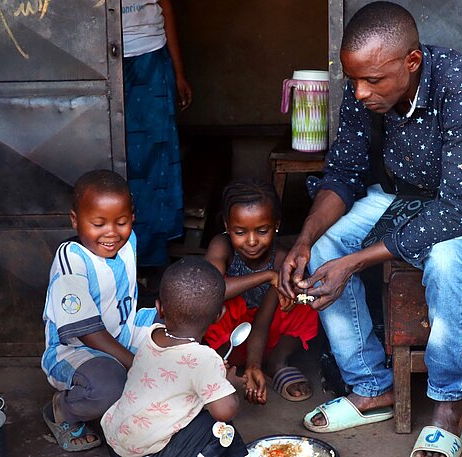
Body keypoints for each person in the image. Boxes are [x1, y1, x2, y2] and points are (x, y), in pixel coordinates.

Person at [277, 2, 462, 457]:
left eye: (373, 81)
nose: (361, 92)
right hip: (406, 193)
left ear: (412, 62)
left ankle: (449, 408)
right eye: (354, 80)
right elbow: (343, 173)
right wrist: (303, 241)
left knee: (446, 256)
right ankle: (371, 388)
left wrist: (357, 261)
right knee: (324, 250)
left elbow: (455, 212)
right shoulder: (366, 88)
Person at [40, 170, 157, 452]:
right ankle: (62, 411)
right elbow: (85, 330)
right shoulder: (71, 258)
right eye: (98, 223)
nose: (111, 233)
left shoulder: (129, 242)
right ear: (75, 220)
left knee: (180, 337)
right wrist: (133, 362)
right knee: (110, 386)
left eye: (121, 222)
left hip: (124, 332)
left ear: (132, 218)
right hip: (76, 348)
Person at [102, 257, 248, 457]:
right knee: (220, 428)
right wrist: (230, 385)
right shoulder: (204, 359)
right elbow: (225, 411)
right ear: (218, 316)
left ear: (159, 308)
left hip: (118, 443)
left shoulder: (152, 336)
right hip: (149, 452)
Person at [204, 180, 319, 404]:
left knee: (304, 299)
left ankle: (277, 362)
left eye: (262, 230)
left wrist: (253, 365)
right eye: (240, 231)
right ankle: (219, 367)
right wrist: (267, 276)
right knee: (212, 304)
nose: (252, 241)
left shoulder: (282, 259)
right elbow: (210, 289)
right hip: (229, 341)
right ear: (227, 226)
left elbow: (262, 322)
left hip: (267, 339)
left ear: (276, 224)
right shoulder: (222, 245)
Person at [122, 0, 191, 272]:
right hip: (99, 58)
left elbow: (166, 8)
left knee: (155, 161)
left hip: (151, 57)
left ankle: (151, 260)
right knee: (112, 154)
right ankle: (113, 257)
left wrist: (178, 73)